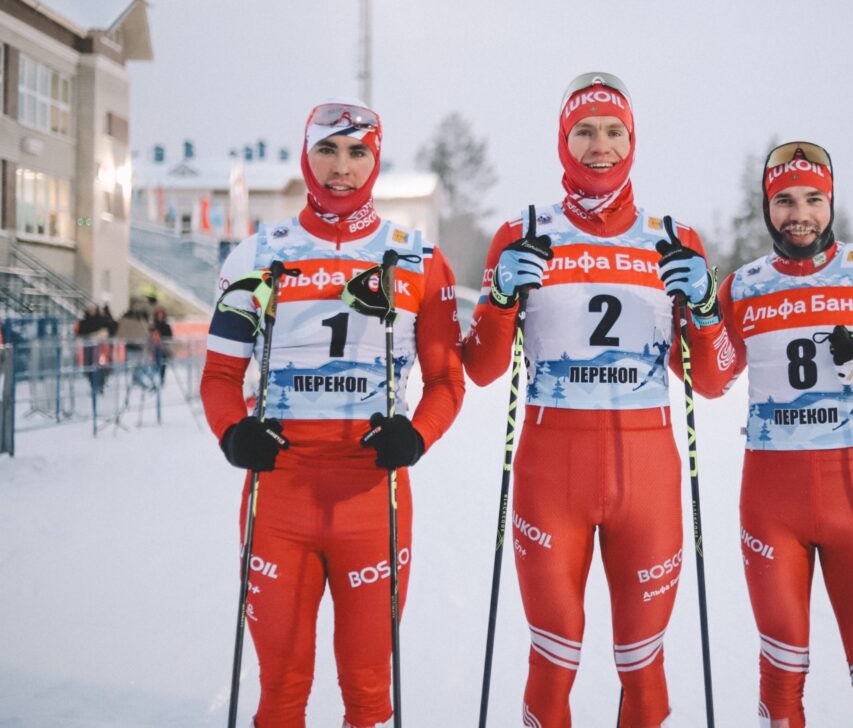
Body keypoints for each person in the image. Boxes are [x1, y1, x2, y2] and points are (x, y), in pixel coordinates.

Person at [462, 72, 733, 728]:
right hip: (551, 474)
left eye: (614, 131)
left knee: (644, 670)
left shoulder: (674, 237)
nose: (599, 145)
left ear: (632, 140)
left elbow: (714, 379)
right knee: (552, 664)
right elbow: (483, 368)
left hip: (649, 478)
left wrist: (703, 307)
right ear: (563, 140)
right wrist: (499, 299)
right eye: (584, 131)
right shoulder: (522, 232)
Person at [200, 98, 465, 728]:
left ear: (375, 160)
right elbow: (219, 375)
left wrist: (417, 435)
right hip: (279, 496)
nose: (340, 168)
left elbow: (447, 380)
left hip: (374, 498)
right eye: (327, 149)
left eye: (357, 152)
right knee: (282, 688)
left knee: (369, 694)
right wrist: (233, 433)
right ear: (306, 154)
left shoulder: (417, 259)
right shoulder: (257, 256)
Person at [689, 141, 853, 727]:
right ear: (767, 208)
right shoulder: (743, 287)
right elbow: (709, 383)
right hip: (771, 508)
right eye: (784, 200)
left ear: (831, 202)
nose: (800, 213)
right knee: (781, 678)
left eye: (813, 198)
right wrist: (704, 314)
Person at [150, 307, 173, 384]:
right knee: (154, 364)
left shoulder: (166, 326)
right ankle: (154, 380)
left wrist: (163, 339)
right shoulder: (154, 326)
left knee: (162, 364)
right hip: (154, 348)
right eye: (158, 315)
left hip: (163, 348)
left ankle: (161, 379)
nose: (160, 317)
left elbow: (170, 337)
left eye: (161, 315)